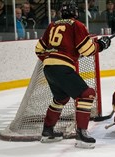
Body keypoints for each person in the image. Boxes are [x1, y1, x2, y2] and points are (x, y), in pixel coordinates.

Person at [35, 0, 111, 148]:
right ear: (76, 13)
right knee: (86, 94)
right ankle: (81, 134)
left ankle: (47, 131)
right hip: (62, 68)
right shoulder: (77, 25)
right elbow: (87, 50)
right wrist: (101, 45)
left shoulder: (52, 25)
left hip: (49, 68)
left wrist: (53, 59)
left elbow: (39, 50)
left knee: (60, 98)